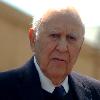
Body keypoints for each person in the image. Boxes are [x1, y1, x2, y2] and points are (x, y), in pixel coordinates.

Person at [0, 6, 100, 100]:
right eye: (54, 35)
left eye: (71, 38)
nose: (62, 48)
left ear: (80, 46)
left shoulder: (96, 93)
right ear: (33, 39)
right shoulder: (4, 88)